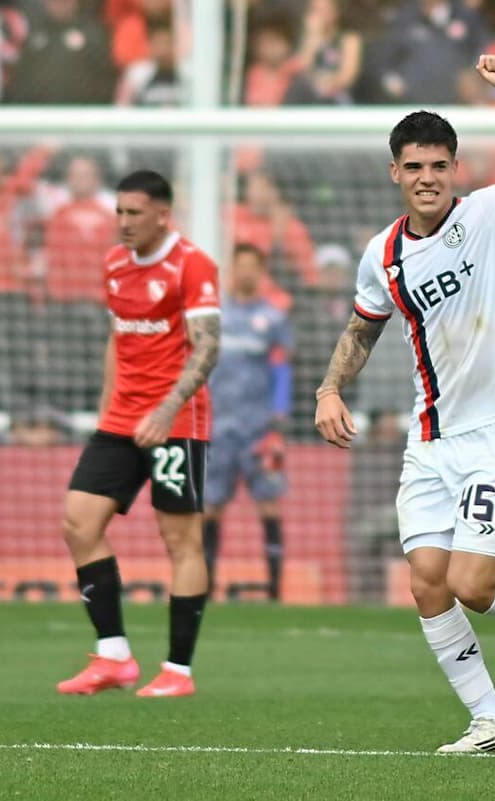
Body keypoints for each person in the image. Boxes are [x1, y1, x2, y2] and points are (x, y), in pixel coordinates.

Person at [314, 55, 495, 754]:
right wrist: (329, 389)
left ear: (455, 169)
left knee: (473, 584)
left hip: (494, 428)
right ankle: (491, 722)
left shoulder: (489, 215)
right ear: (396, 174)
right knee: (425, 582)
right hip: (430, 437)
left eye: (439, 165)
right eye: (414, 167)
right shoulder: (382, 254)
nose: (428, 178)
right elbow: (361, 328)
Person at [57, 170, 221, 699]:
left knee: (179, 539)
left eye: (133, 213)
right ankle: (113, 656)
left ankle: (178, 670)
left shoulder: (192, 265)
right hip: (122, 419)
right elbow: (117, 337)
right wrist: (108, 410)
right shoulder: (113, 263)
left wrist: (167, 407)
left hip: (177, 419)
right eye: (119, 213)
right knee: (79, 522)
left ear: (161, 215)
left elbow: (207, 347)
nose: (123, 223)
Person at [203, 243, 293, 601]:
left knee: (269, 505)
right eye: (241, 265)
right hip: (218, 428)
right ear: (231, 268)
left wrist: (278, 418)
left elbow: (282, 369)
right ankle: (205, 588)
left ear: (261, 271)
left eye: (253, 266)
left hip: (258, 431)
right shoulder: (214, 316)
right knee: (210, 508)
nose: (246, 273)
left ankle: (274, 591)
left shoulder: (273, 318)